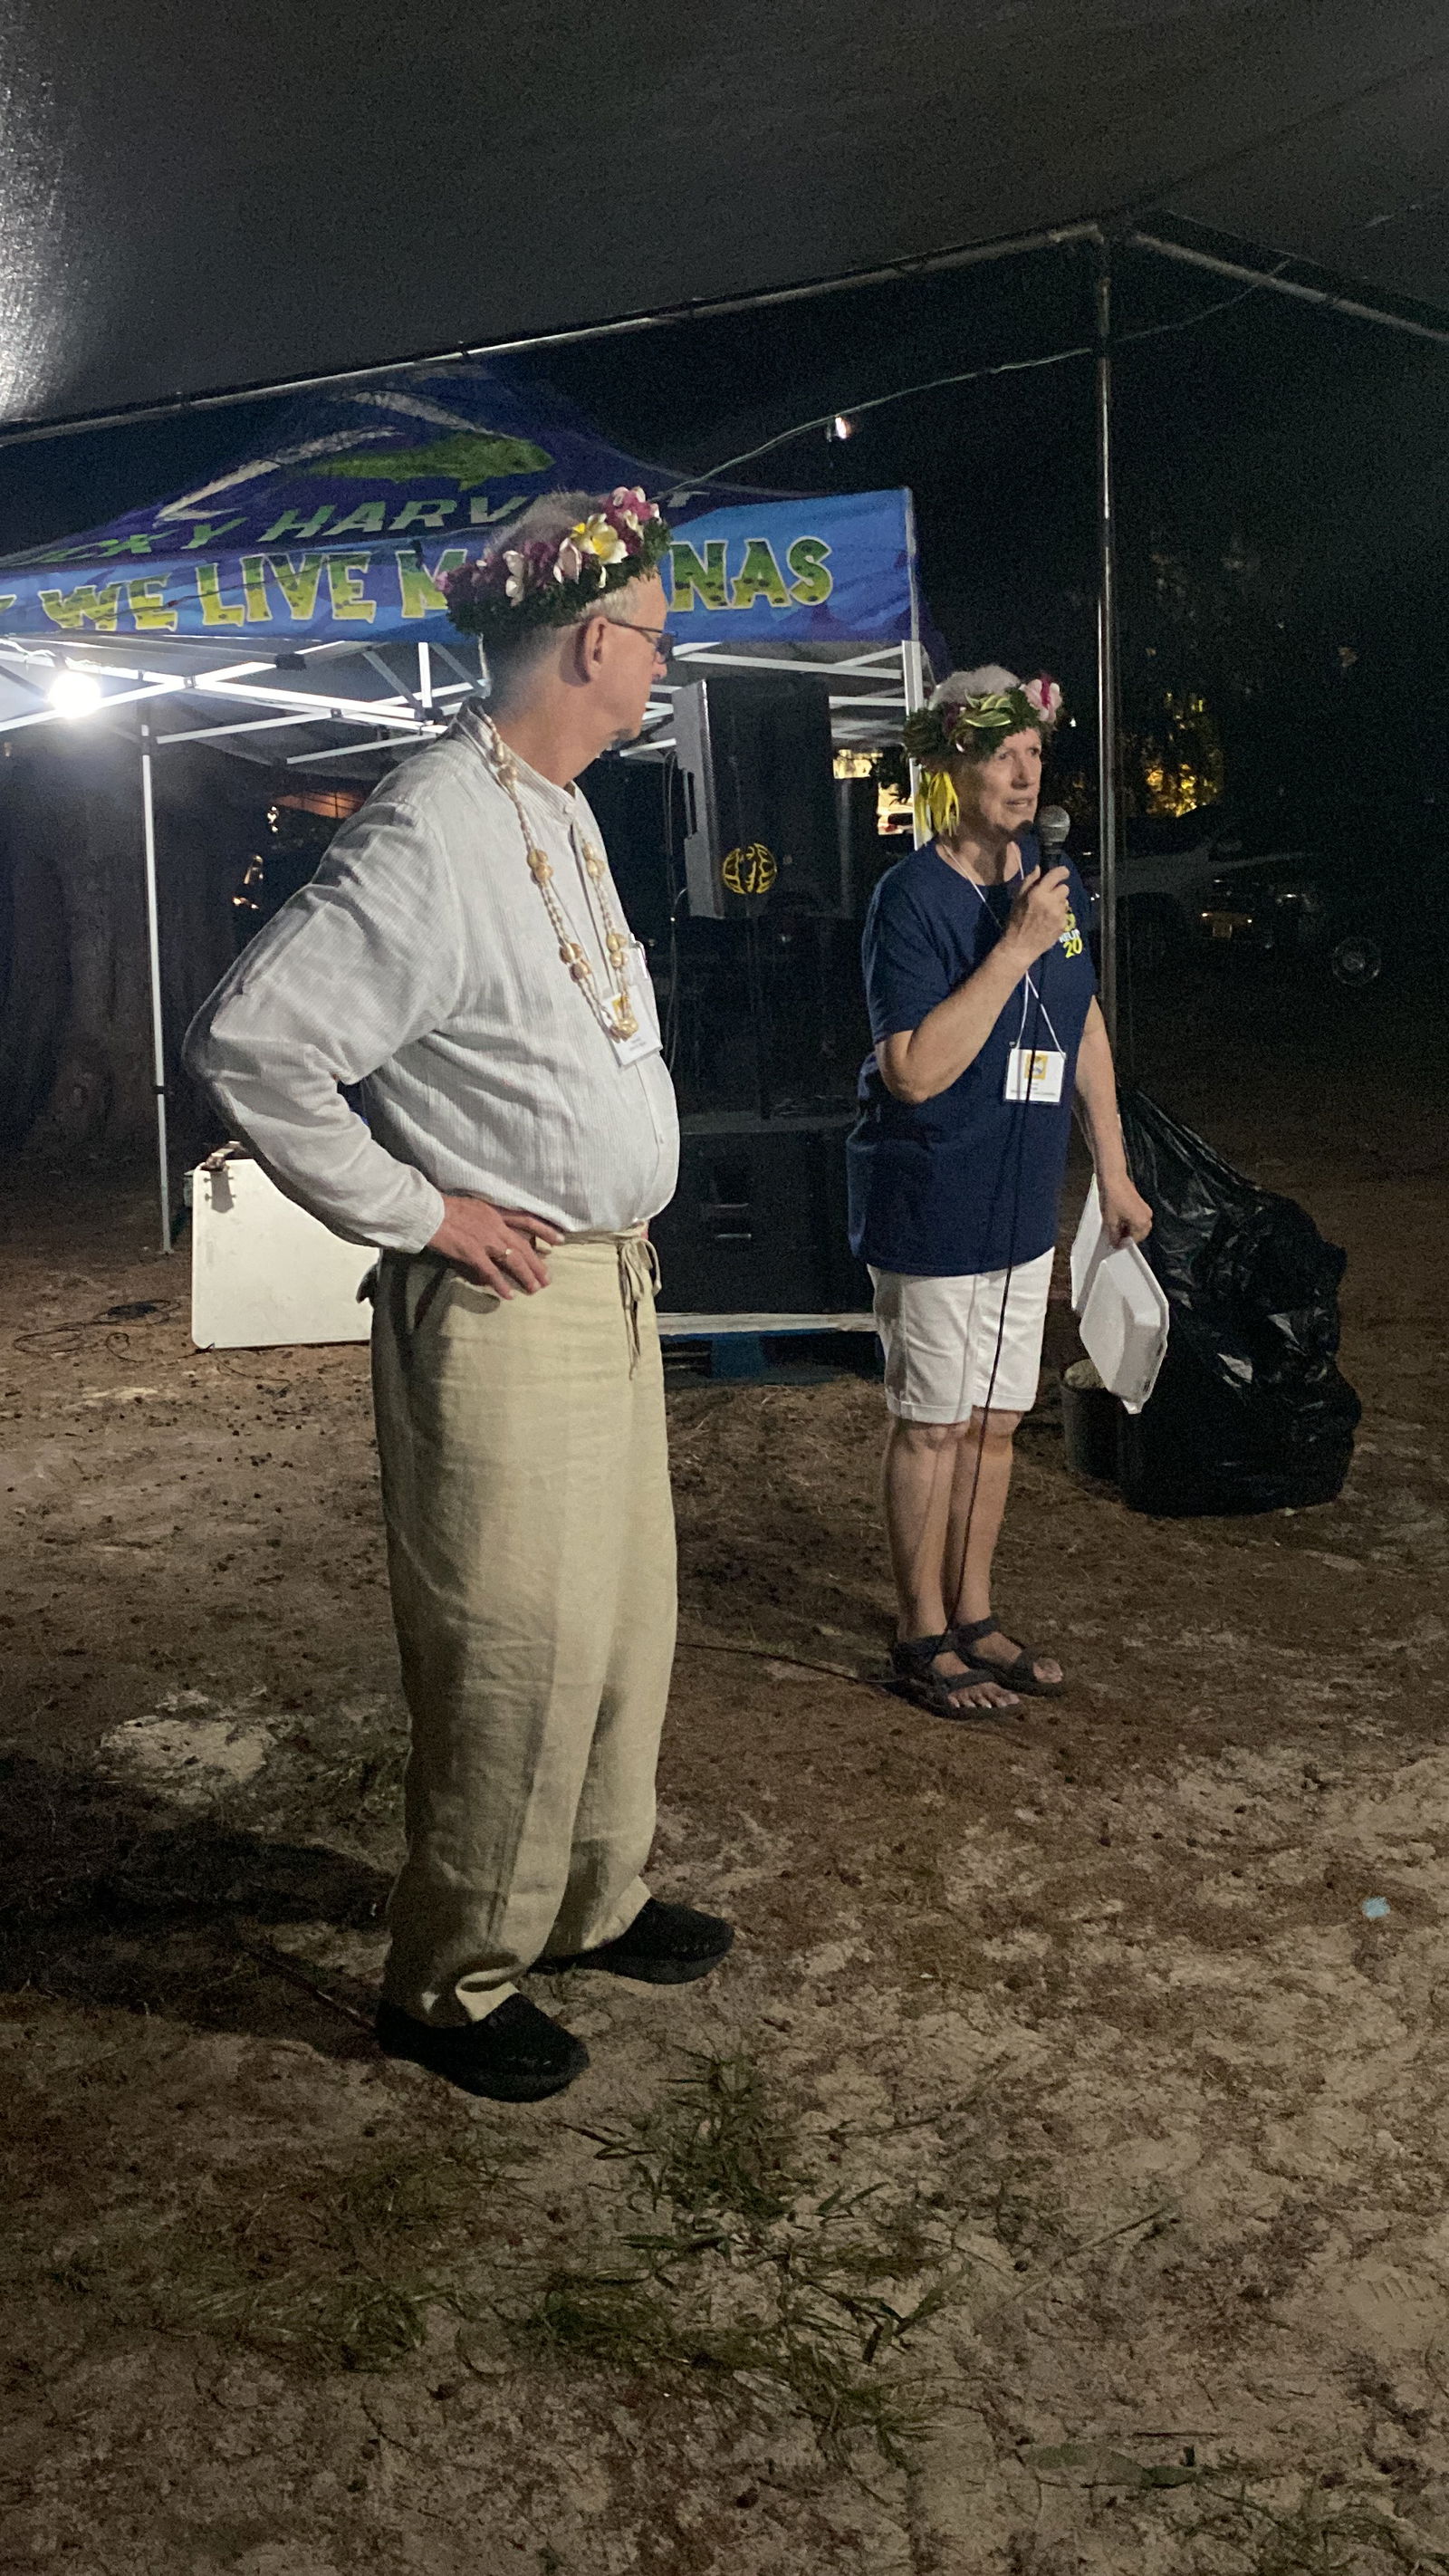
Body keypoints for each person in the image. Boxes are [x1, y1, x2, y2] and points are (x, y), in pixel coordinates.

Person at [185, 487, 732, 2104]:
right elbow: (253, 1041)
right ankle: (450, 1979)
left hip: (604, 1286)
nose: (661, 660)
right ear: (588, 641)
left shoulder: (556, 806)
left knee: (623, 1620)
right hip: (506, 1302)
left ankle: (584, 1899)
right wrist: (418, 1207)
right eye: (652, 635)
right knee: (514, 1640)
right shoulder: (436, 821)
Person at [848, 667, 1151, 1717]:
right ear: (948, 766)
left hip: (1021, 1204)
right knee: (932, 1422)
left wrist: (1109, 1165)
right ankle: (918, 1632)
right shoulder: (910, 900)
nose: (1022, 776)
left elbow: (1083, 1022)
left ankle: (973, 1614)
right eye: (999, 755)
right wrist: (1012, 945)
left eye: (1032, 754)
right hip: (933, 1200)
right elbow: (914, 1071)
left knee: (995, 1422)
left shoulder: (1052, 876)